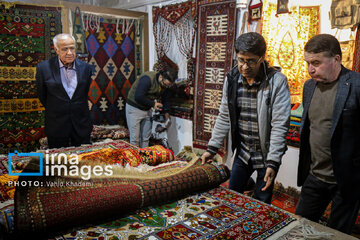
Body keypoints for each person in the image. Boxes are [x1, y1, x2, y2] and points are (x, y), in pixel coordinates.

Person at [201, 32, 291, 204]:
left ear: (262, 58)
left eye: (251, 61)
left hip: (266, 154)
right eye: (241, 60)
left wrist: (273, 162)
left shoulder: (277, 81)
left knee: (262, 201)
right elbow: (224, 115)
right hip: (243, 151)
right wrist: (212, 148)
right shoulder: (232, 78)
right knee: (232, 195)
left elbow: (280, 124)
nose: (244, 66)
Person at [295, 34, 360, 234]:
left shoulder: (356, 85)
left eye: (316, 62)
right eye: (308, 63)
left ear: (336, 59)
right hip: (315, 176)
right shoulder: (309, 86)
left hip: (346, 180)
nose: (310, 69)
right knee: (299, 227)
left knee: (337, 234)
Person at [36, 33, 93, 149]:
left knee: (85, 158)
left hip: (81, 122)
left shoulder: (86, 68)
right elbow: (42, 95)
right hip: (57, 123)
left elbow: (84, 92)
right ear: (56, 50)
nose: (70, 53)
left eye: (72, 48)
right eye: (65, 49)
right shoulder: (43, 68)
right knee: (59, 160)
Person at [126, 68, 177, 148]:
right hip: (134, 108)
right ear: (161, 77)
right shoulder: (147, 79)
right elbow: (138, 96)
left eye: (168, 85)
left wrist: (167, 112)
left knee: (146, 137)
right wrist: (153, 104)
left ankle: (145, 157)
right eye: (165, 84)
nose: (166, 86)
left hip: (147, 109)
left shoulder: (165, 85)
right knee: (135, 139)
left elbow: (166, 98)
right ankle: (135, 158)